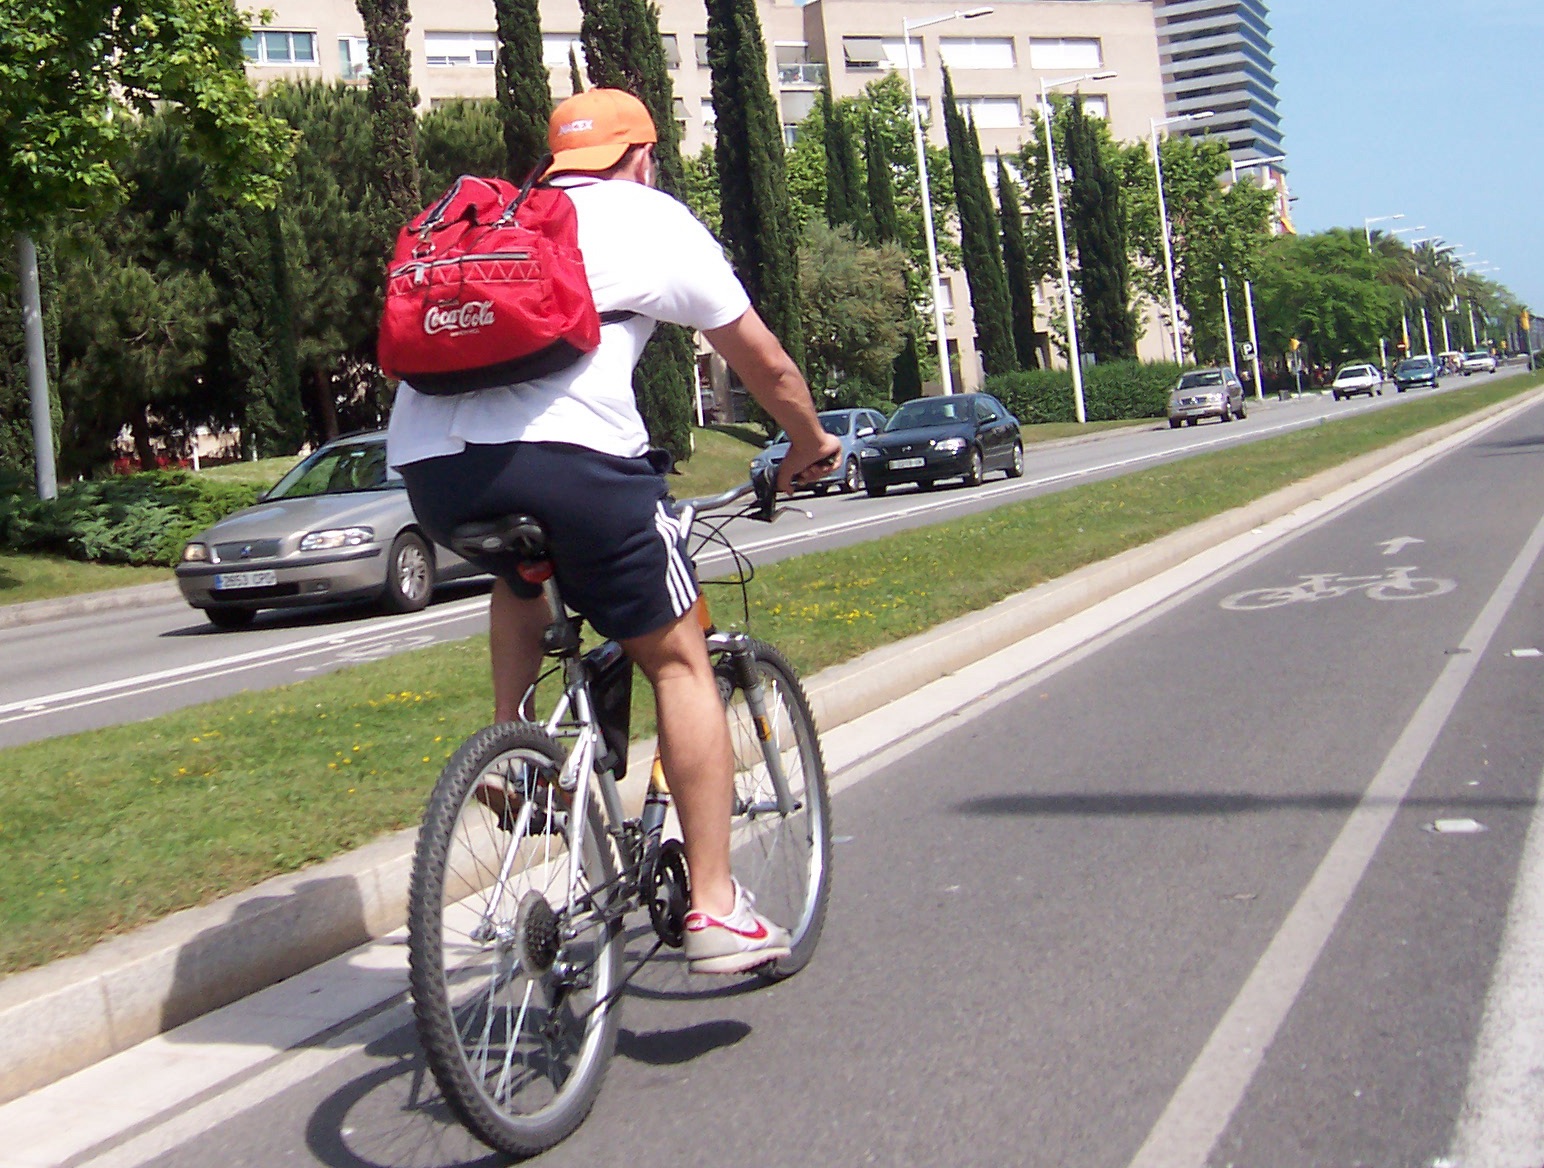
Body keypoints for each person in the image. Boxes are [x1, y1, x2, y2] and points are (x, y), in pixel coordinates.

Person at [387, 88, 842, 975]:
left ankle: (515, 747)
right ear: (641, 158)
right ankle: (714, 908)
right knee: (677, 657)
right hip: (575, 466)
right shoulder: (650, 216)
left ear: (555, 160)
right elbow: (765, 361)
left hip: (433, 475)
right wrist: (810, 443)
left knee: (521, 572)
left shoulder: (507, 218)